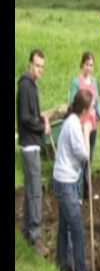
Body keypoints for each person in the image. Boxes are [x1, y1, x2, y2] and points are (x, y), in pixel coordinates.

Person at [53, 89, 95, 271]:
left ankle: (61, 266)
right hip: (66, 184)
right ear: (85, 109)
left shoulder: (70, 120)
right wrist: (87, 131)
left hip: (62, 181)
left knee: (64, 226)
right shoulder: (74, 126)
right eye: (92, 107)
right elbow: (84, 155)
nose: (93, 110)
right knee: (77, 232)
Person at [16, 49, 51, 257]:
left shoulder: (30, 85)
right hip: (30, 144)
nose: (39, 69)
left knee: (31, 188)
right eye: (37, 65)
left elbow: (32, 115)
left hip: (31, 143)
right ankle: (36, 236)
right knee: (36, 190)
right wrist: (42, 126)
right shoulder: (26, 85)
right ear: (30, 64)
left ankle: (27, 230)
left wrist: (42, 117)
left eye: (42, 67)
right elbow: (25, 118)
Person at [69, 51, 100, 200]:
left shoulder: (94, 82)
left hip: (92, 125)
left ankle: (87, 191)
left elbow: (97, 103)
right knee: (81, 157)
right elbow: (73, 103)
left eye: (91, 65)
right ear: (82, 64)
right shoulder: (76, 82)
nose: (89, 68)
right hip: (81, 125)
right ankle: (78, 192)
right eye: (87, 64)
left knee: (89, 158)